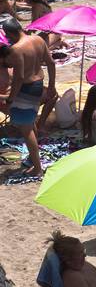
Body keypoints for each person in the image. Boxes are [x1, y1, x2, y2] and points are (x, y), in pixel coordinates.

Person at [0, 18, 56, 176]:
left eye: (8, 36)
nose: (8, 39)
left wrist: (11, 98)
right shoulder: (38, 39)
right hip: (39, 85)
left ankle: (38, 168)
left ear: (11, 32)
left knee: (26, 130)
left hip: (25, 88)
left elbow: (19, 78)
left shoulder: (16, 49)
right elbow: (51, 63)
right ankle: (33, 159)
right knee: (30, 123)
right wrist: (51, 86)